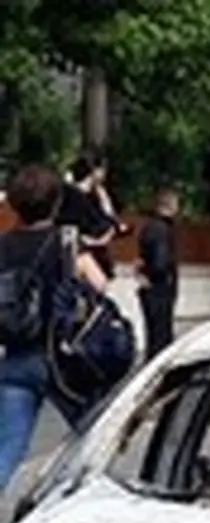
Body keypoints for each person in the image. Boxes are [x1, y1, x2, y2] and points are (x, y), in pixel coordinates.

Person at [0, 165, 109, 491]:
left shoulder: (3, 246)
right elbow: (99, 284)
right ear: (57, 203)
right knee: (92, 434)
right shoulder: (65, 242)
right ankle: (81, 496)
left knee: (8, 447)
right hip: (63, 359)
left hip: (15, 357)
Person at [136, 187, 180, 360]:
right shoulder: (162, 229)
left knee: (153, 336)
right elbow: (160, 262)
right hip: (160, 288)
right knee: (161, 337)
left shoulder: (148, 227)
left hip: (150, 288)